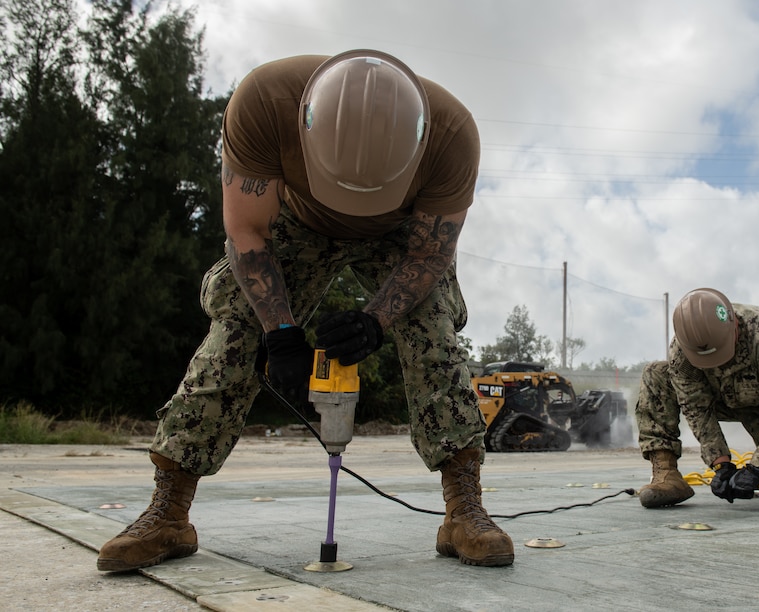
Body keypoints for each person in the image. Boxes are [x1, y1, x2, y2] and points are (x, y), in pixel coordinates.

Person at [97, 50, 514, 571]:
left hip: (398, 232)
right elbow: (247, 232)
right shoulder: (263, 104)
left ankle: (463, 510)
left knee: (434, 332)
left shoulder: (452, 136)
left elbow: (430, 253)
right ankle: (169, 512)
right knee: (238, 327)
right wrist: (281, 332)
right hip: (295, 216)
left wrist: (374, 321)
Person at [635, 288, 759, 509]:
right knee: (656, 374)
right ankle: (666, 475)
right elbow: (696, 408)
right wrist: (721, 464)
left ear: (734, 324)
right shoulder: (683, 349)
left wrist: (757, 469)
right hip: (719, 400)